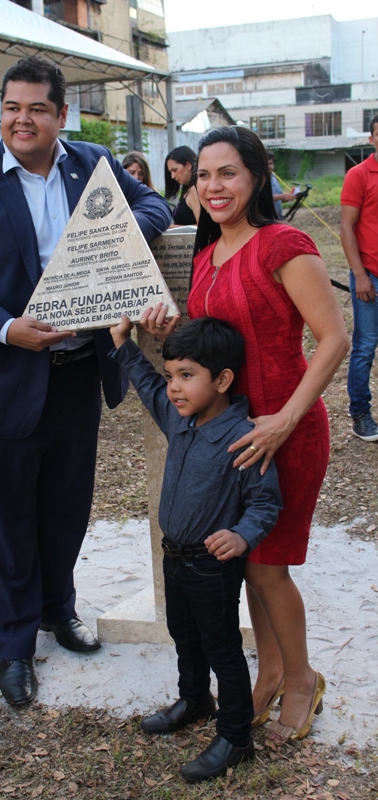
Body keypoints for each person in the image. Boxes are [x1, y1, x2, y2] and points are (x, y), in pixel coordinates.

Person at [0, 56, 172, 708]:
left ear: (62, 115)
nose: (22, 120)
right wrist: (9, 328)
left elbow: (155, 204)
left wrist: (119, 233)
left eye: (36, 108)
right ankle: (13, 646)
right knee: (6, 520)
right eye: (12, 107)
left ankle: (57, 610)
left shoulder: (92, 164)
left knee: (65, 508)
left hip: (77, 374)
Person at [140, 125, 349, 744]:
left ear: (256, 176)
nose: (214, 186)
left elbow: (333, 339)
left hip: (287, 428)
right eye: (204, 175)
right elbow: (216, 340)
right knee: (249, 561)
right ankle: (274, 671)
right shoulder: (206, 256)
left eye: (227, 172)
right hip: (231, 435)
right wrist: (171, 331)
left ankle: (303, 680)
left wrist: (285, 419)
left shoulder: (283, 244)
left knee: (266, 567)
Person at [109, 316, 282, 781]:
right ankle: (194, 699)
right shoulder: (178, 418)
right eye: (172, 376)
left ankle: (235, 736)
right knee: (183, 634)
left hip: (211, 567)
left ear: (222, 380)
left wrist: (242, 535)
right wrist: (123, 344)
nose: (174, 387)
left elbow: (265, 502)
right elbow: (147, 385)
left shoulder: (243, 438)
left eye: (186, 376)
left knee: (221, 647)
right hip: (174, 558)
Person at [340, 113, 378, 441]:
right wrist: (359, 275)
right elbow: (346, 227)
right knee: (365, 346)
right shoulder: (359, 175)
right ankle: (360, 413)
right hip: (370, 276)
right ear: (372, 139)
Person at [164, 145, 200, 226]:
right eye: (170, 172)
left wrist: (171, 228)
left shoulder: (194, 190)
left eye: (175, 170)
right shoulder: (188, 190)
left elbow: (203, 227)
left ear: (188, 165)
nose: (172, 176)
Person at [266, 150, 295, 220]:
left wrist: (292, 196)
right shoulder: (259, 179)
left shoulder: (273, 178)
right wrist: (283, 196)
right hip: (266, 219)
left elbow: (279, 199)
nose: (269, 166)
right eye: (266, 164)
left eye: (271, 163)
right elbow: (262, 198)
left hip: (276, 218)